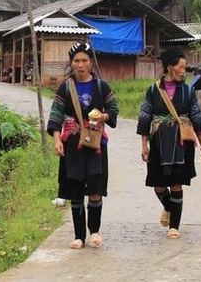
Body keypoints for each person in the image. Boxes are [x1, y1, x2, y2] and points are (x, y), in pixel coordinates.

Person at [47, 42, 119, 249]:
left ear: (91, 63)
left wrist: (103, 116)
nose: (80, 65)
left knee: (95, 188)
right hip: (72, 145)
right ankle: (79, 236)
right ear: (71, 63)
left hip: (96, 144)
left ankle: (94, 231)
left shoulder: (101, 86)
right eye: (76, 61)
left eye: (84, 60)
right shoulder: (65, 87)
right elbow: (56, 114)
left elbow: (114, 108)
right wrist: (57, 139)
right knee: (75, 189)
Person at [137, 46, 201, 239]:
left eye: (185, 67)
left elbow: (197, 120)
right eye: (181, 67)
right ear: (170, 67)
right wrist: (144, 144)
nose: (184, 71)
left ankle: (174, 226)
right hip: (159, 143)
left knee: (177, 184)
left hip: (181, 143)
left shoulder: (188, 92)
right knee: (158, 185)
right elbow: (145, 118)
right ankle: (169, 208)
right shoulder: (153, 90)